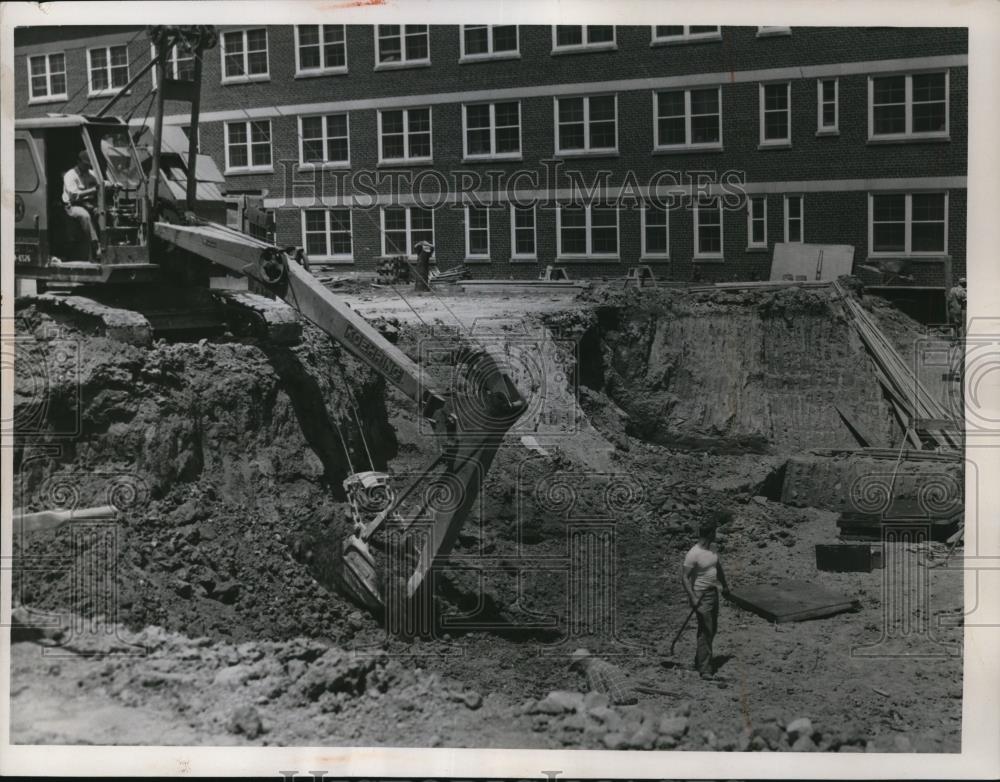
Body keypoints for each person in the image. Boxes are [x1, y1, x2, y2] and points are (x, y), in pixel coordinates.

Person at [681, 512, 731, 680]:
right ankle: (705, 669)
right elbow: (684, 578)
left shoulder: (713, 549)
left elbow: (718, 567)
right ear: (709, 534)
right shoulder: (693, 553)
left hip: (713, 593)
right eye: (715, 532)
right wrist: (693, 598)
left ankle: (700, 660)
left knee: (711, 629)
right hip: (700, 595)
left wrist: (724, 585)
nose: (717, 535)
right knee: (706, 630)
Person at [62, 150, 106, 260]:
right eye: (85, 164)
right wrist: (92, 190)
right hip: (72, 206)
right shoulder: (70, 175)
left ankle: (108, 243)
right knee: (85, 215)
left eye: (89, 165)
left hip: (88, 204)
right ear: (78, 162)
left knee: (103, 212)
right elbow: (73, 195)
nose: (87, 167)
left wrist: (112, 184)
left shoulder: (91, 173)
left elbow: (101, 183)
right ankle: (96, 246)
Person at [568, 648, 637, 706]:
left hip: (622, 703)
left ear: (581, 664)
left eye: (577, 668)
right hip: (631, 699)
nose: (578, 672)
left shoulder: (592, 670)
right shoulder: (602, 664)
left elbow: (599, 699)